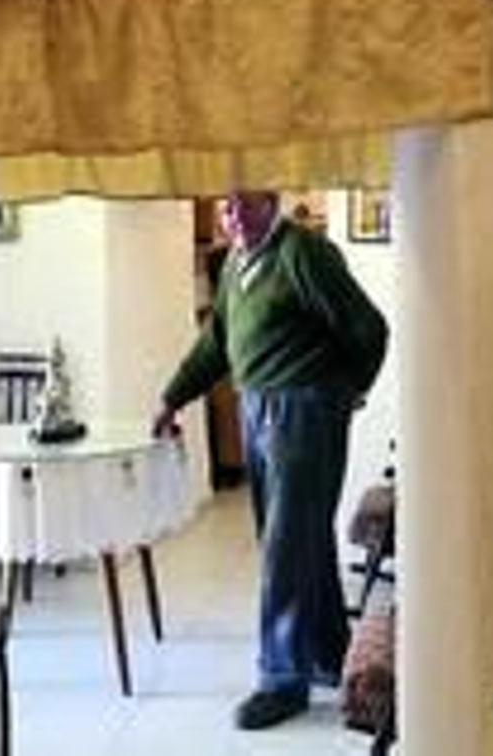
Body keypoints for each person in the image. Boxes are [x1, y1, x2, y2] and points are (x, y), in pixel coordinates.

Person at [152, 190, 388, 730]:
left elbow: (368, 329)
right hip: (257, 407)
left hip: (302, 409)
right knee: (298, 539)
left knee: (285, 546)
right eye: (225, 206)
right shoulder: (238, 261)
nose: (231, 215)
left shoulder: (302, 252)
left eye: (243, 203)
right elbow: (216, 343)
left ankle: (282, 680)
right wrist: (172, 398)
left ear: (271, 199)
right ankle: (328, 654)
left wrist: (346, 391)